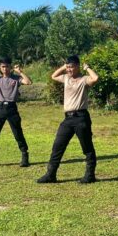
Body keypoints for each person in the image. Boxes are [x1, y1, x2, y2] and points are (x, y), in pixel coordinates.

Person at [36, 56, 99, 184]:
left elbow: (95, 78)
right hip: (67, 119)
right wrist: (64, 66)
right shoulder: (66, 78)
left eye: (72, 67)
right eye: (68, 67)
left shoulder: (84, 79)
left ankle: (90, 175)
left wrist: (87, 68)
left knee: (87, 147)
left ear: (77, 66)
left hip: (81, 118)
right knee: (57, 146)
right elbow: (54, 76)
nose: (69, 69)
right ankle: (50, 175)